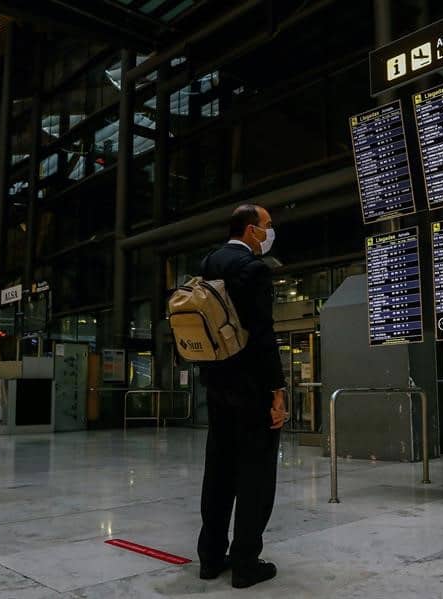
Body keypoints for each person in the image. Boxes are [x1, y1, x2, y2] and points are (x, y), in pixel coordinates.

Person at [196, 203, 288, 589]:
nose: (270, 232)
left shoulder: (209, 263)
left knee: (218, 471)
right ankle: (246, 562)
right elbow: (263, 337)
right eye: (267, 225)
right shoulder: (253, 269)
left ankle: (211, 558)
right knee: (256, 475)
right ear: (251, 231)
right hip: (250, 389)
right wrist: (277, 392)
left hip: (216, 385)